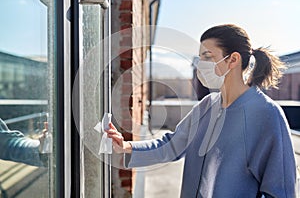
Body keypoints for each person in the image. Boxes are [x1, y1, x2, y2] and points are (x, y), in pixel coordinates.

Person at [106, 24, 297, 197]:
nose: (200, 64)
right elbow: (172, 145)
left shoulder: (267, 115)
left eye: (207, 57)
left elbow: (281, 192)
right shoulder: (207, 106)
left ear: (233, 60)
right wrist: (127, 146)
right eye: (200, 58)